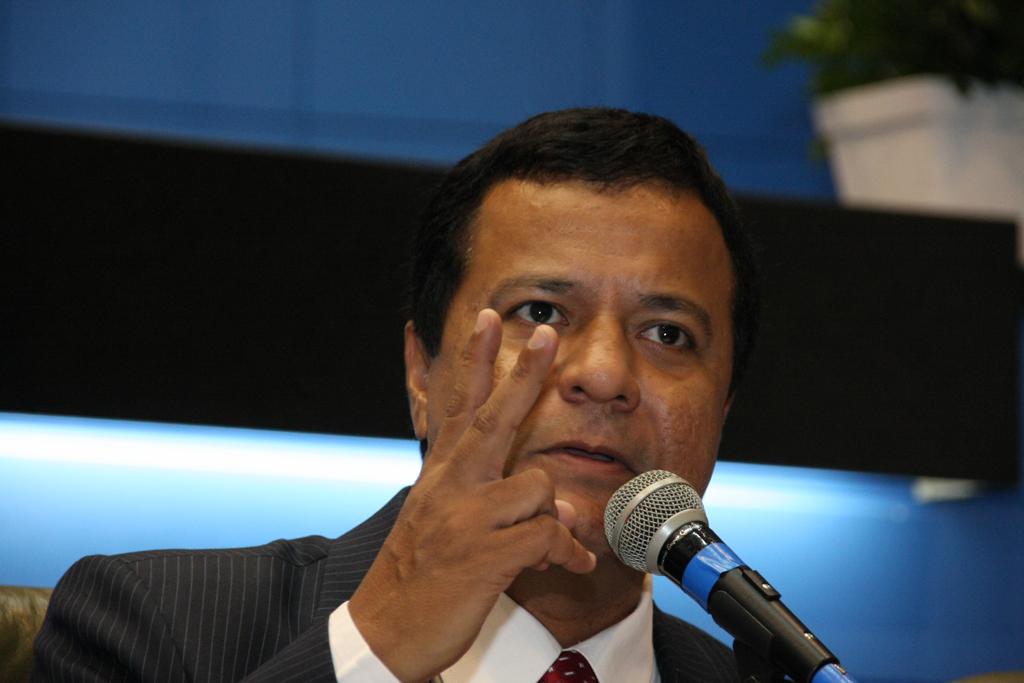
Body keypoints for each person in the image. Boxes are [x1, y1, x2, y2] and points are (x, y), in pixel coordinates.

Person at [32, 108, 757, 682]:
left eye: (668, 333)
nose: (603, 374)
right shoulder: (150, 625)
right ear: (421, 372)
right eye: (539, 311)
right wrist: (374, 653)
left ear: (723, 408)